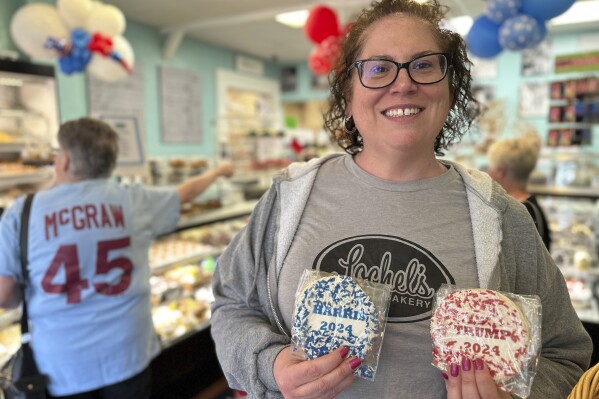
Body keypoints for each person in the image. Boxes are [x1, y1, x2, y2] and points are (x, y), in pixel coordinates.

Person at [210, 0, 592, 398]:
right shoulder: (289, 196)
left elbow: (566, 354)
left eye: (424, 65)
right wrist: (270, 364)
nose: (403, 83)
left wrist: (516, 396)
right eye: (378, 68)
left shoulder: (501, 216)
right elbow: (232, 304)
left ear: (450, 85)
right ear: (348, 90)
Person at [0, 117, 234, 398]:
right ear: (109, 163)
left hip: (61, 364)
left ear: (63, 161)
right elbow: (185, 193)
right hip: (127, 352)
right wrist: (219, 170)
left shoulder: (22, 212)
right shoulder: (133, 199)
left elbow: (5, 296)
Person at [486, 136, 552, 251]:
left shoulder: (516, 213)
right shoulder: (532, 207)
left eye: (491, 167)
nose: (488, 173)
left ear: (500, 172)